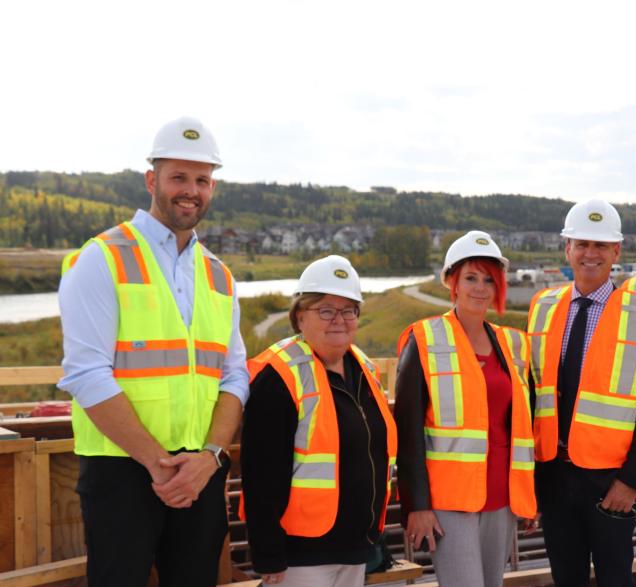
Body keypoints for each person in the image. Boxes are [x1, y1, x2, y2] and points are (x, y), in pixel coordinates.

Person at [58, 116, 248, 586]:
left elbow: (234, 377)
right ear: (152, 180)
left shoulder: (219, 275)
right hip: (122, 470)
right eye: (178, 177)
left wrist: (208, 458)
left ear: (212, 188)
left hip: (200, 473)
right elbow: (86, 375)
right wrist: (158, 465)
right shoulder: (102, 258)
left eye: (202, 180)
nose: (191, 190)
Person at [527, 199, 636, 587]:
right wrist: (530, 480)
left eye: (601, 246)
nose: (591, 254)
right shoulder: (543, 307)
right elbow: (531, 396)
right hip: (554, 475)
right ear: (567, 248)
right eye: (582, 244)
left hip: (611, 483)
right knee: (565, 579)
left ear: (616, 251)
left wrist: (631, 482)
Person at [240, 255, 398, 587]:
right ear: (300, 316)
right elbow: (261, 472)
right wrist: (268, 551)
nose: (338, 320)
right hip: (301, 556)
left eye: (348, 310)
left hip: (356, 547)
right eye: (325, 310)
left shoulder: (363, 369)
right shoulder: (279, 376)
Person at [394, 230, 536, 587]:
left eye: (489, 279)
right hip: (448, 501)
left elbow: (521, 426)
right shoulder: (425, 338)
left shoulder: (513, 344)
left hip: (503, 495)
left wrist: (527, 496)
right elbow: (407, 433)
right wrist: (417, 505)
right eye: (470, 278)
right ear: (452, 283)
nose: (480, 288)